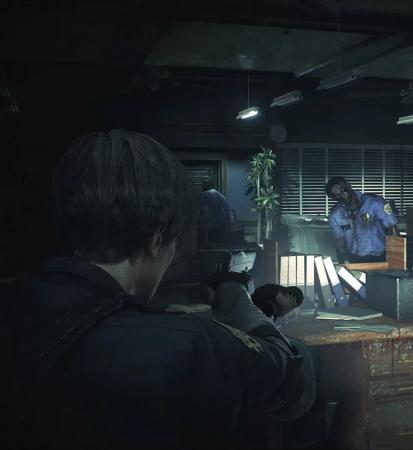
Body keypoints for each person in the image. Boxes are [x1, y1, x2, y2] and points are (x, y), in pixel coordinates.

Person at [0, 130, 314, 449]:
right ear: (156, 239)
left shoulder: (14, 305)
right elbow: (293, 375)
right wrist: (235, 293)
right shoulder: (186, 343)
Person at [325, 176, 399, 263]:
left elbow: (393, 229)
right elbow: (339, 241)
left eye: (342, 190)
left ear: (348, 186)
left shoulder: (376, 202)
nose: (343, 196)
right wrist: (341, 265)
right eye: (337, 196)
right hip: (355, 260)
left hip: (381, 257)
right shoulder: (336, 215)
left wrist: (396, 259)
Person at [198, 179, 234, 248]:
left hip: (213, 220)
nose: (202, 185)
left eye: (205, 184)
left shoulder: (207, 194)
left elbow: (205, 210)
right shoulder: (217, 194)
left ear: (211, 185)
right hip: (220, 219)